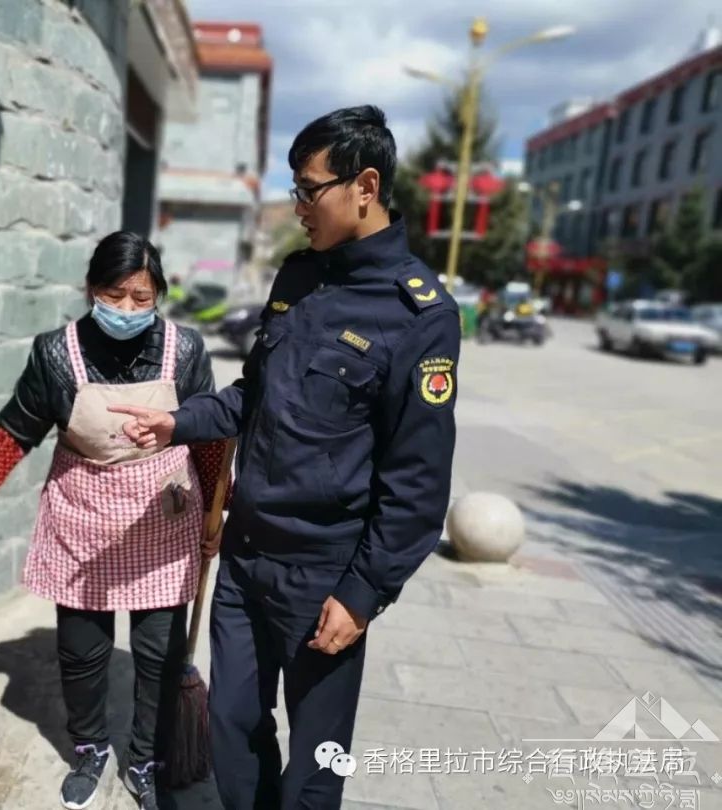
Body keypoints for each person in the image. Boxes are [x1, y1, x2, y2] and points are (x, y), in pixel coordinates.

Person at [110, 106, 461, 810]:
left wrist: (363, 594)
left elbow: (418, 483)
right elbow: (253, 396)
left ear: (365, 187)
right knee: (234, 729)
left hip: (323, 575)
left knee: (316, 762)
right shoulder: (297, 279)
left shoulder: (419, 314)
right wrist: (177, 423)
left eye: (308, 190)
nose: (297, 206)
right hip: (245, 559)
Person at [0, 231, 230, 810]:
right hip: (83, 518)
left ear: (159, 296)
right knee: (82, 651)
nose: (127, 309)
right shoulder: (54, 353)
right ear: (92, 289)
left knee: (159, 654)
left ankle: (144, 758)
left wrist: (220, 508)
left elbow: (209, 435)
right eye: (114, 296)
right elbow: (16, 428)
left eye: (141, 298)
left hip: (162, 517)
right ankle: (90, 749)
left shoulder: (186, 351)